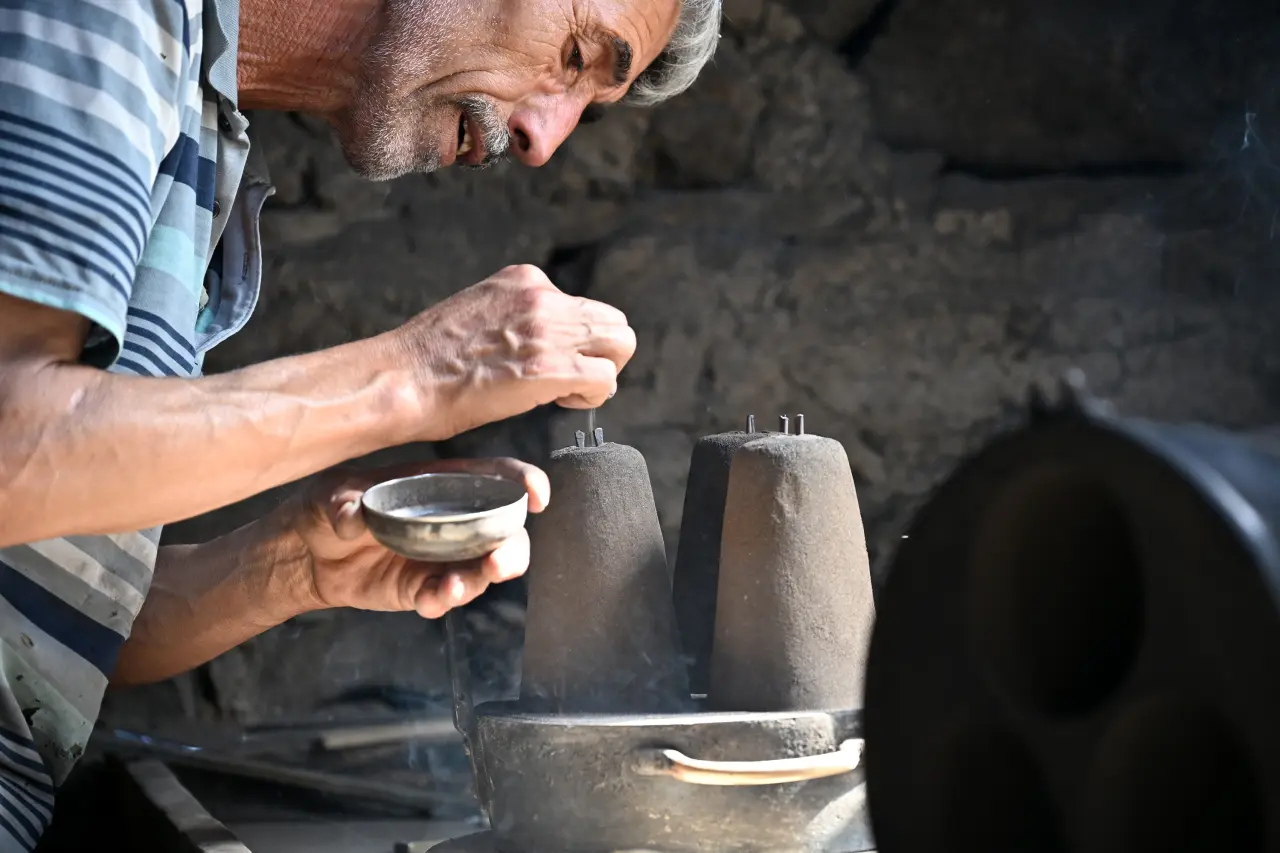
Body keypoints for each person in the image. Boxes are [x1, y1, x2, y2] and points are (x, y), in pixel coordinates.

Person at [0, 0, 720, 846]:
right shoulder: (110, 15)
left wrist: (291, 565)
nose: (544, 141)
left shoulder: (204, 137)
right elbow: (16, 449)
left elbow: (38, 626)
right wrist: (420, 373)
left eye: (584, 109)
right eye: (573, 56)